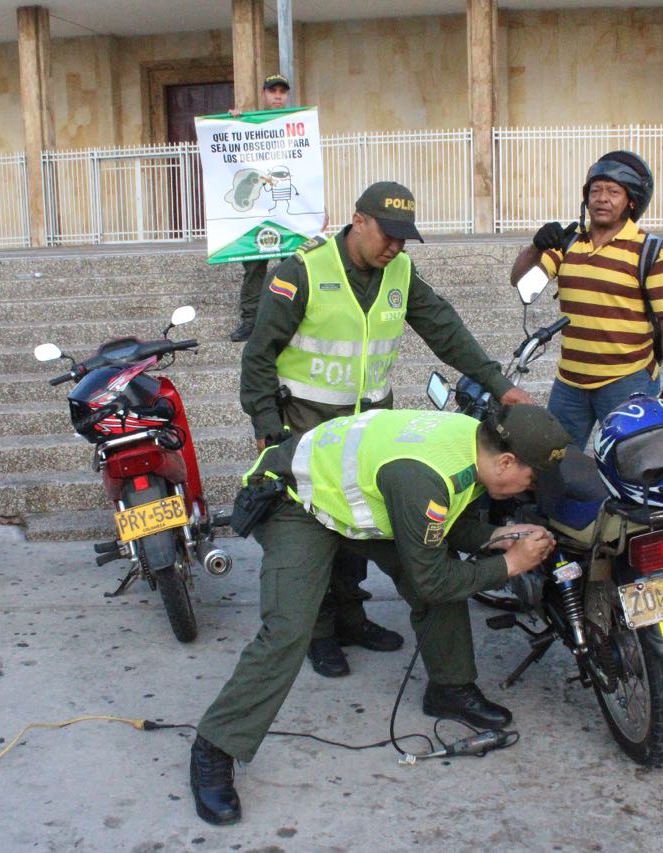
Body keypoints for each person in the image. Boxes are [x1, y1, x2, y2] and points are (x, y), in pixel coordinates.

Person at [189, 404, 569, 826]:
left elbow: (440, 524)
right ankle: (214, 747)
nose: (528, 490)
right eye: (532, 479)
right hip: (294, 500)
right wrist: (511, 564)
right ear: (506, 462)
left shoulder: (473, 443)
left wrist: (497, 536)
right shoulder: (424, 474)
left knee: (442, 571)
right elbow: (432, 579)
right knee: (288, 630)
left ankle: (449, 688)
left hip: (351, 501)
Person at [240, 180, 533, 678]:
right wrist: (268, 427)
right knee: (318, 529)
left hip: (370, 427)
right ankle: (321, 632)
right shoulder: (303, 270)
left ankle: (351, 618)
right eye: (387, 234)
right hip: (307, 422)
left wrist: (498, 385)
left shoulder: (400, 271)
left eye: (404, 237)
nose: (395, 246)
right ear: (358, 221)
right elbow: (258, 354)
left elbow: (444, 329)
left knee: (363, 522)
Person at [509, 150, 663, 448]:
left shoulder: (649, 251)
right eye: (596, 191)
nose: (602, 198)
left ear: (631, 202)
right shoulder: (569, 242)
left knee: (630, 460)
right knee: (556, 459)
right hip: (569, 383)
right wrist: (536, 247)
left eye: (613, 192)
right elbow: (520, 281)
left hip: (628, 381)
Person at [229, 73, 293, 343]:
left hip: (286, 212)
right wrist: (233, 121)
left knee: (293, 265)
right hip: (257, 210)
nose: (277, 96)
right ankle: (250, 320)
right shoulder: (249, 124)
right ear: (264, 94)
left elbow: (308, 169)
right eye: (272, 91)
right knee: (254, 266)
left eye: (282, 91)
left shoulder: (297, 123)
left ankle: (292, 318)